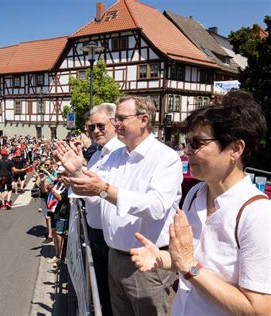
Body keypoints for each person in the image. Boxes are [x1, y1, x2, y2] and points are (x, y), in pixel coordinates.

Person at [130, 91, 271, 315]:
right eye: (187, 142)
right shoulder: (196, 193)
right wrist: (162, 258)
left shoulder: (257, 214)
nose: (187, 150)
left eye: (197, 143)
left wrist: (188, 266)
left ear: (235, 149)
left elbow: (260, 309)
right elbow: (190, 262)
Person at [56, 96, 182, 315]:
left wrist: (105, 189)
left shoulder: (165, 158)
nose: (116, 124)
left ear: (144, 120)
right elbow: (96, 196)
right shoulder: (116, 155)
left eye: (121, 119)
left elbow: (156, 207)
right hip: (115, 255)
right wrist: (77, 172)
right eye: (116, 119)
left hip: (146, 264)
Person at [68, 103, 124, 316]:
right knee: (102, 291)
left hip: (110, 236)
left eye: (100, 125)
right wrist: (76, 171)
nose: (95, 131)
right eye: (91, 128)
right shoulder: (97, 154)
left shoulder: (119, 152)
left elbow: (104, 192)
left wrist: (83, 182)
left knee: (110, 297)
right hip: (97, 232)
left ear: (114, 123)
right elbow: (89, 187)